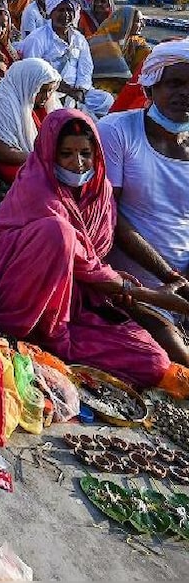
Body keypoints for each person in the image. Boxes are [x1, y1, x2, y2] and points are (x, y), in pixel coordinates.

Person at [0, 111, 180, 388]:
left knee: (153, 362)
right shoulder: (38, 185)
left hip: (75, 296)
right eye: (66, 153)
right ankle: (28, 330)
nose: (78, 164)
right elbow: (81, 258)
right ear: (50, 153)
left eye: (85, 153)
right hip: (17, 288)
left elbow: (93, 260)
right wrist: (147, 294)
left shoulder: (100, 191)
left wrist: (123, 290)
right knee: (58, 233)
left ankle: (54, 334)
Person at [98, 41, 189, 365]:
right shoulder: (118, 131)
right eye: (175, 83)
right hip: (135, 285)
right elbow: (107, 215)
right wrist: (169, 278)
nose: (184, 94)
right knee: (176, 356)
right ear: (152, 86)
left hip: (180, 281)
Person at [18, 0, 114, 117]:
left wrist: (80, 90)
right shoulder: (37, 38)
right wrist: (67, 90)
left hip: (78, 92)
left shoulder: (78, 38)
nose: (66, 14)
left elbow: (85, 68)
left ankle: (76, 106)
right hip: (50, 91)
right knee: (56, 109)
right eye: (61, 10)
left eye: (69, 10)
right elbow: (34, 73)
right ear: (51, 13)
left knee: (106, 100)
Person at [0, 57, 61, 186]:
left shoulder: (40, 104)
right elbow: (3, 152)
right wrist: (43, 157)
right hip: (6, 161)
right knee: (39, 180)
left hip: (33, 158)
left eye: (50, 90)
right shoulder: (1, 103)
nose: (46, 96)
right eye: (42, 90)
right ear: (28, 84)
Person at [89, 5, 150, 90]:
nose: (142, 25)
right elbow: (123, 74)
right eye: (138, 21)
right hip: (101, 83)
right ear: (127, 22)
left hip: (124, 83)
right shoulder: (104, 41)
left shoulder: (133, 41)